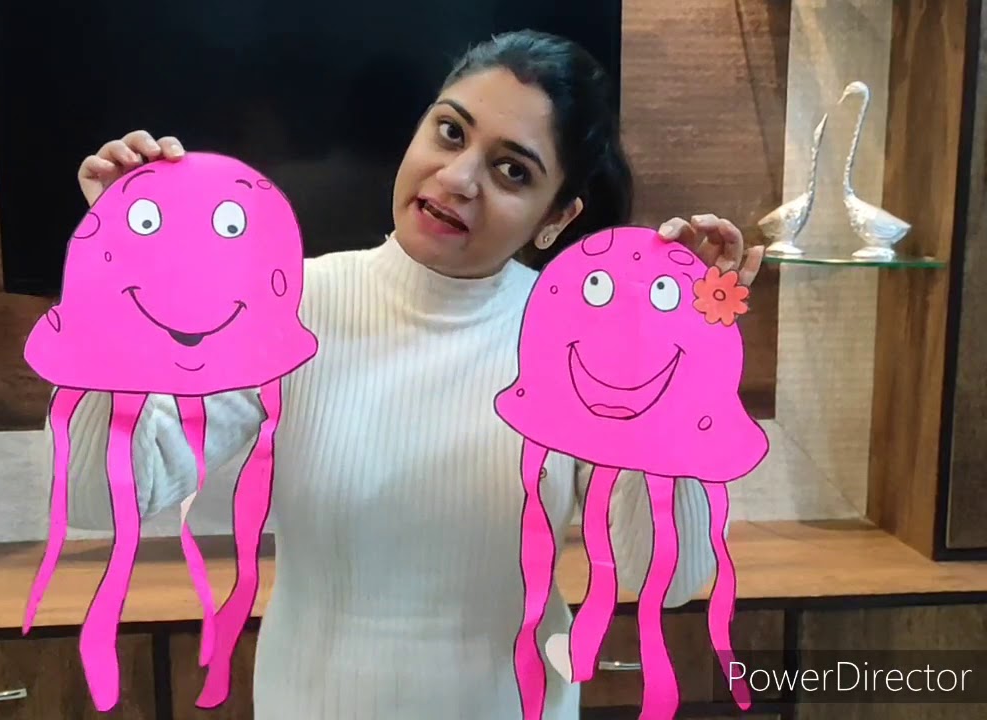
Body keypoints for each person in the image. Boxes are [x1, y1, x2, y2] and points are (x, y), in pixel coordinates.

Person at [53, 29, 764, 719]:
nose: (457, 179)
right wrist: (118, 281)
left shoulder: (581, 345)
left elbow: (667, 576)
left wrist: (677, 371)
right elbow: (100, 496)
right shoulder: (288, 306)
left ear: (556, 217)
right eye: (450, 133)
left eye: (512, 171)